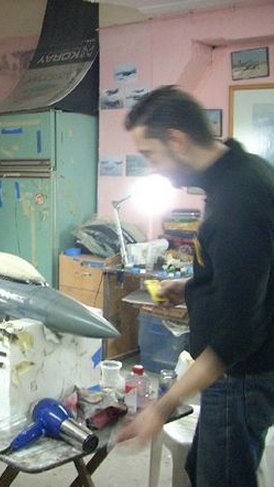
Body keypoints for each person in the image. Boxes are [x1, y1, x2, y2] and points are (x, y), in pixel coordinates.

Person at [117, 85, 274, 486]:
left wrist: (162, 406)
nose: (152, 168)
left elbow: (235, 336)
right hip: (243, 369)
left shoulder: (236, 200)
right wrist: (190, 286)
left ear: (177, 139)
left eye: (150, 154)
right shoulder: (242, 171)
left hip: (240, 375)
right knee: (201, 468)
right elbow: (253, 271)